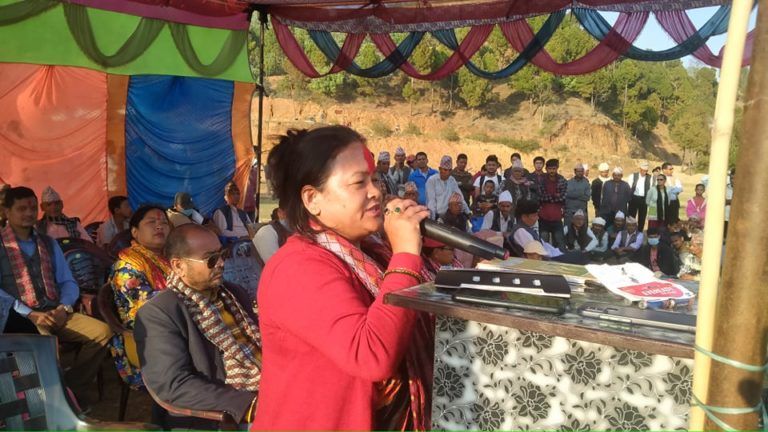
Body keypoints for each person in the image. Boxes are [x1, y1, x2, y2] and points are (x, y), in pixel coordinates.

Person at [253, 126, 432, 430]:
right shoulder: (297, 267)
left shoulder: (373, 253)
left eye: (374, 179)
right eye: (359, 182)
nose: (376, 191)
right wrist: (405, 255)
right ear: (312, 199)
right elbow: (371, 355)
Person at [135, 224, 260, 428]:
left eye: (222, 254)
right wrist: (250, 404)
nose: (221, 263)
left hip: (267, 384)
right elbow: (174, 384)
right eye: (211, 259)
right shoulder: (160, 313)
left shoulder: (233, 293)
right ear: (178, 266)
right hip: (225, 412)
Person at [0, 186, 110, 403]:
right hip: (21, 319)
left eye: (33, 208)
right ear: (6, 211)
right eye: (21, 209)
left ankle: (70, 390)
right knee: (44, 344)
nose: (29, 213)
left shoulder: (48, 242)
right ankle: (49, 399)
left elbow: (67, 281)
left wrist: (64, 307)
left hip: (56, 311)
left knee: (102, 332)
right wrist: (30, 314)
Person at [109, 205, 172, 388]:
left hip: (173, 326)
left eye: (164, 222)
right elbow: (151, 307)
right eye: (151, 222)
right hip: (146, 338)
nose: (159, 226)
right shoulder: (128, 265)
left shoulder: (170, 258)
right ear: (135, 232)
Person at [509, 199, 588, 264]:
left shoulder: (527, 229)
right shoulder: (520, 232)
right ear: (524, 217)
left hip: (553, 254)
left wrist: (558, 252)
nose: (537, 218)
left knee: (583, 255)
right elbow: (535, 253)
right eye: (535, 215)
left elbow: (544, 245)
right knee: (581, 257)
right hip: (549, 259)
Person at [426, 155, 470, 220]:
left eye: (450, 170)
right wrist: (433, 219)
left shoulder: (452, 180)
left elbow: (460, 197)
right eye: (445, 170)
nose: (448, 173)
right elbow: (431, 202)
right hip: (436, 216)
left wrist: (468, 212)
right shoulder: (432, 180)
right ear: (440, 169)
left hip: (448, 216)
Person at [537, 159, 567, 248]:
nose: (552, 171)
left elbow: (563, 197)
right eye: (550, 169)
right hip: (543, 217)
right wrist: (555, 196)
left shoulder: (562, 180)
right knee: (543, 244)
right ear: (546, 169)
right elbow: (540, 197)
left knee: (559, 244)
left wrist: (549, 197)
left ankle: (560, 257)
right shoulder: (542, 180)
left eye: (554, 169)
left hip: (557, 217)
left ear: (557, 168)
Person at [627, 161, 652, 231]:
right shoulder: (633, 176)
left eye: (646, 171)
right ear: (640, 169)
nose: (644, 172)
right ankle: (630, 231)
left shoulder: (650, 177)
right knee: (631, 217)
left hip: (644, 199)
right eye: (643, 170)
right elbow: (629, 188)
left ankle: (640, 232)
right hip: (634, 198)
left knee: (642, 217)